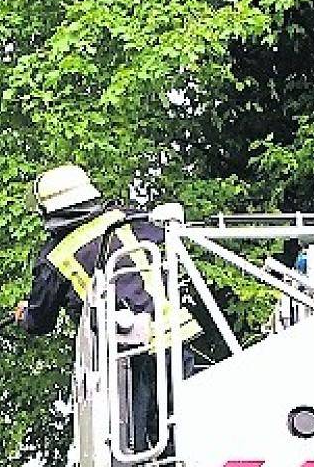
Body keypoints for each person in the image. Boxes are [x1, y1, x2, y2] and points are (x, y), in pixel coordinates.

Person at [14, 164, 199, 454]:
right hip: (172, 335)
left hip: (126, 356)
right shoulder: (126, 218)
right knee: (183, 429)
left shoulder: (56, 256)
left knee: (135, 445)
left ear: (50, 210)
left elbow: (40, 320)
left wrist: (25, 315)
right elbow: (166, 235)